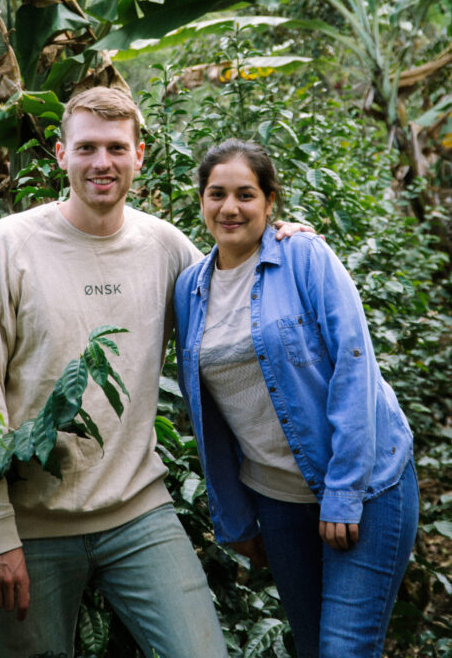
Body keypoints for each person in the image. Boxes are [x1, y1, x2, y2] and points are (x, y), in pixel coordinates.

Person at [0, 89, 311, 658]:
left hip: (138, 510)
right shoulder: (12, 244)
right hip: (33, 524)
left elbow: (239, 307)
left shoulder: (164, 246)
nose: (103, 163)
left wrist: (281, 241)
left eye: (117, 148)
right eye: (87, 148)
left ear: (139, 155)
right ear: (60, 154)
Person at [173, 139, 419, 658]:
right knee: (311, 646)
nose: (230, 207)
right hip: (278, 501)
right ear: (201, 200)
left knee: (344, 648)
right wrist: (234, 516)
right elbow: (207, 414)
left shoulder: (304, 256)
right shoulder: (190, 288)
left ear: (270, 201)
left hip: (366, 487)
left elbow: (355, 368)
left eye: (246, 194)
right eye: (217, 193)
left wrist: (343, 493)